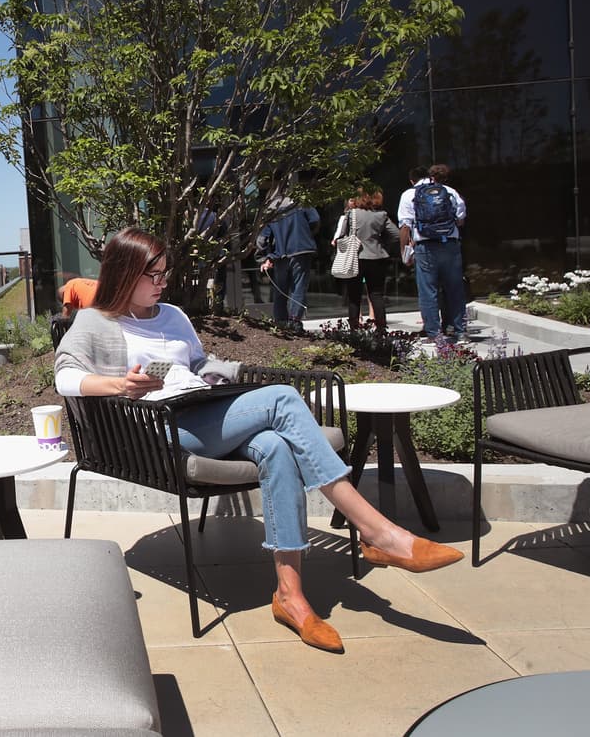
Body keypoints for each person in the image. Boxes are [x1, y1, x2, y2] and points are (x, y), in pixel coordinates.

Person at [54, 227, 463, 653]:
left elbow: (197, 364)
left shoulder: (172, 315)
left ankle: (291, 596)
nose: (162, 283)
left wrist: (224, 375)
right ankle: (379, 533)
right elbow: (64, 376)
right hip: (165, 428)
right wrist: (118, 385)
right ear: (123, 273)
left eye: (164, 274)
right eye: (151, 276)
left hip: (206, 410)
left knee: (275, 445)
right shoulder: (95, 321)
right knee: (283, 400)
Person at [398, 164, 467, 343]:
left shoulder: (409, 195)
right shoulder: (450, 192)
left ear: (413, 180)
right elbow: (460, 220)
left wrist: (405, 251)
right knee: (455, 289)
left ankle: (434, 333)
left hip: (425, 247)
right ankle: (459, 330)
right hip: (450, 245)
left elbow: (405, 226)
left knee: (428, 291)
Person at [332, 188, 400, 333]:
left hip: (356, 258)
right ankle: (381, 328)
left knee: (354, 295)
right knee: (376, 294)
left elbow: (342, 235)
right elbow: (396, 235)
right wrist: (381, 244)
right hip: (377, 257)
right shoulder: (381, 215)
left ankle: (354, 328)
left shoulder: (352, 214)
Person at [257, 196, 319, 330]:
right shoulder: (302, 203)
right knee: (299, 287)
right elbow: (315, 221)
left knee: (280, 289)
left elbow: (262, 238)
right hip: (301, 250)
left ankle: (280, 321)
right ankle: (295, 321)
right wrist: (306, 234)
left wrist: (264, 257)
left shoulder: (271, 209)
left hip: (280, 254)